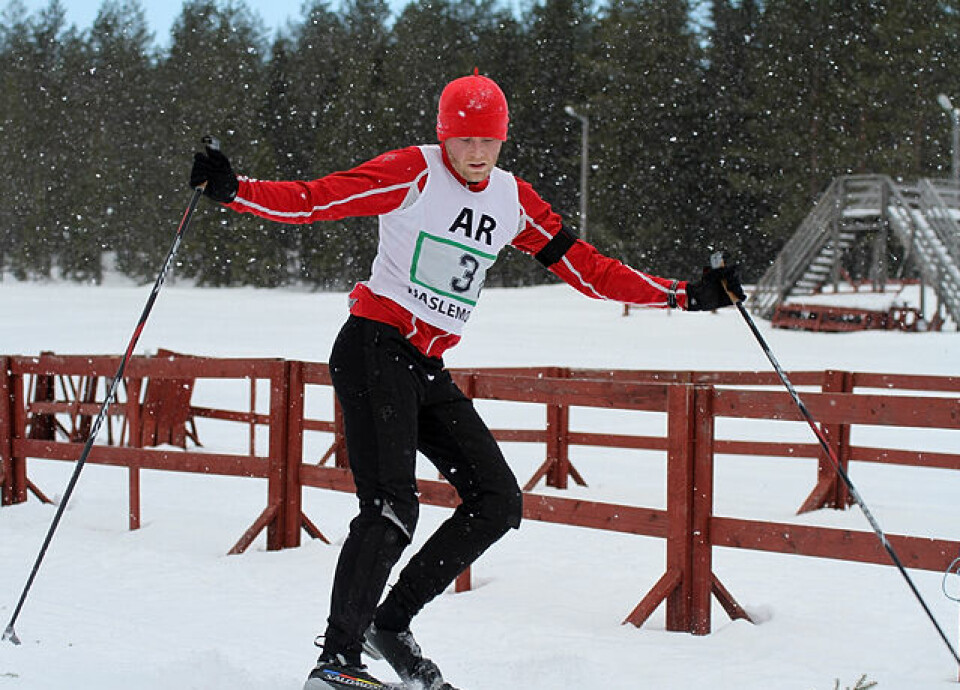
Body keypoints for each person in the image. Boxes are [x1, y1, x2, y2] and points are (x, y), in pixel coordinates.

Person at [189, 70, 744, 690]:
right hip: (375, 345)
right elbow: (316, 200)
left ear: (502, 140)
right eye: (464, 140)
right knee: (391, 506)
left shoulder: (513, 200)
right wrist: (235, 190)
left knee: (497, 500)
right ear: (443, 135)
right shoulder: (414, 171)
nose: (476, 154)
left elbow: (587, 270)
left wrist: (685, 297)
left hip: (425, 365)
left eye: (488, 141)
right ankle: (336, 663)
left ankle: (390, 624)